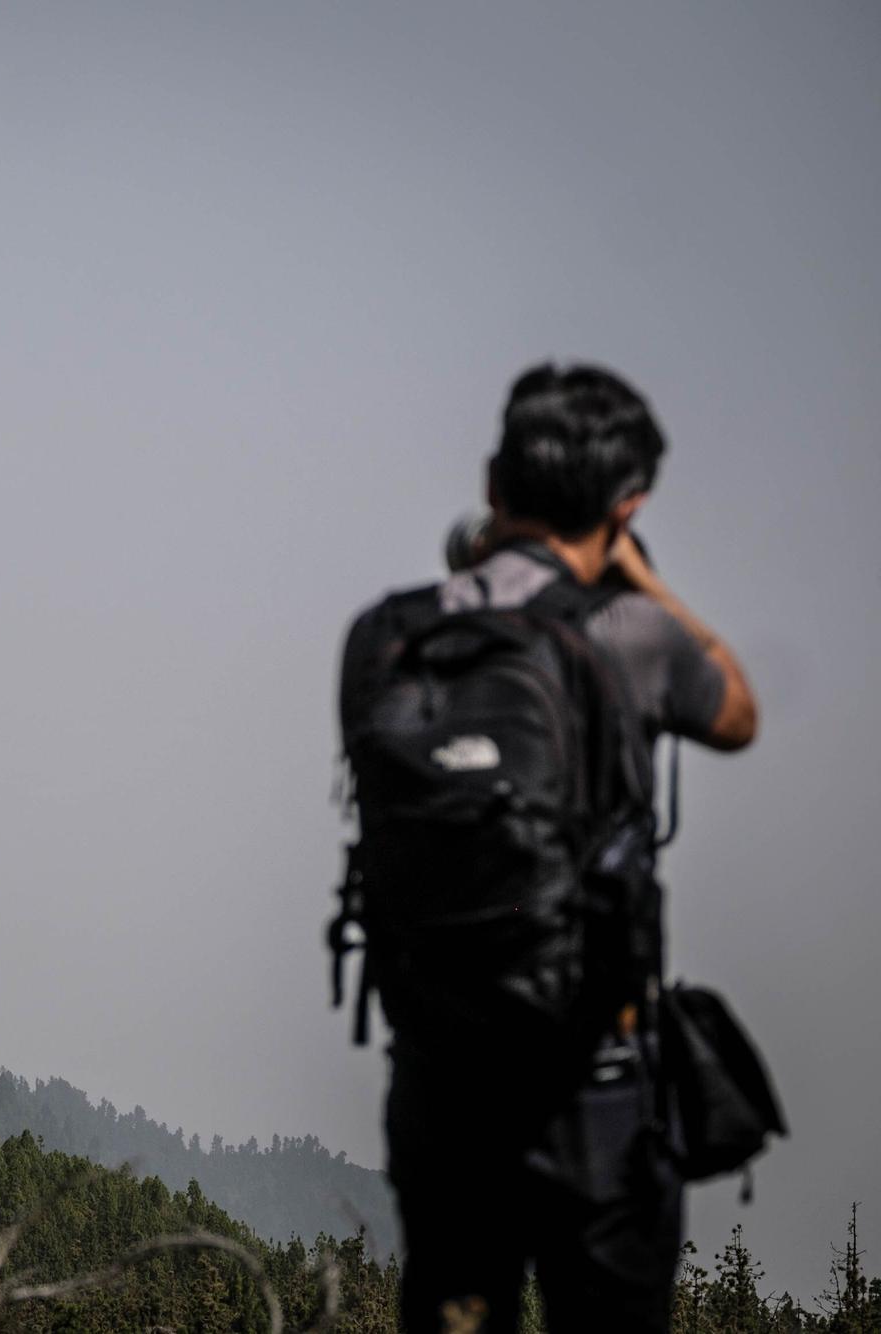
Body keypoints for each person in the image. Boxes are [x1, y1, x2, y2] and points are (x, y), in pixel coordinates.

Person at [335, 363, 758, 1333]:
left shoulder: (382, 639)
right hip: (591, 1085)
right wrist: (639, 576)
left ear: (491, 483)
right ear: (628, 500)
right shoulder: (632, 632)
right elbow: (735, 712)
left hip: (438, 1081)